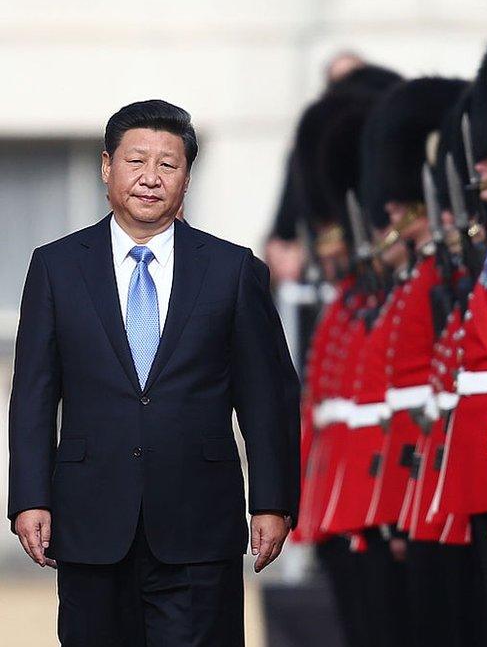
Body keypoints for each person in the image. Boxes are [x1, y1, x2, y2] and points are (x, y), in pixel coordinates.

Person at [7, 99, 299, 646]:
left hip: (199, 523)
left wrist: (273, 501)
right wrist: (29, 496)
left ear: (187, 177)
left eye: (168, 164)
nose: (150, 178)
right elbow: (33, 395)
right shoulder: (57, 266)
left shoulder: (232, 270)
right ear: (106, 167)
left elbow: (269, 397)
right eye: (136, 161)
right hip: (90, 519)